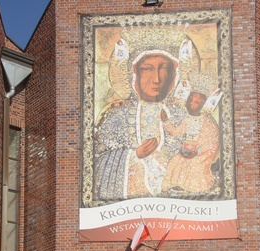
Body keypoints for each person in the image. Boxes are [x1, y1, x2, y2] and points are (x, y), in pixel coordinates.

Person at [94, 50, 186, 201]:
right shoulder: (117, 116)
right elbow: (97, 162)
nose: (156, 79)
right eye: (147, 69)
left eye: (164, 69)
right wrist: (133, 155)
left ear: (173, 76)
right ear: (134, 74)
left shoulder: (182, 117)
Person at [161, 78, 220, 195]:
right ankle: (175, 184)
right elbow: (177, 132)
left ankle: (189, 186)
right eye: (190, 100)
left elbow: (212, 141)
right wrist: (166, 121)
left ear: (203, 105)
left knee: (193, 165)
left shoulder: (207, 121)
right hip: (186, 151)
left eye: (197, 102)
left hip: (201, 155)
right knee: (175, 161)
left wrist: (198, 152)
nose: (192, 104)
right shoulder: (187, 118)